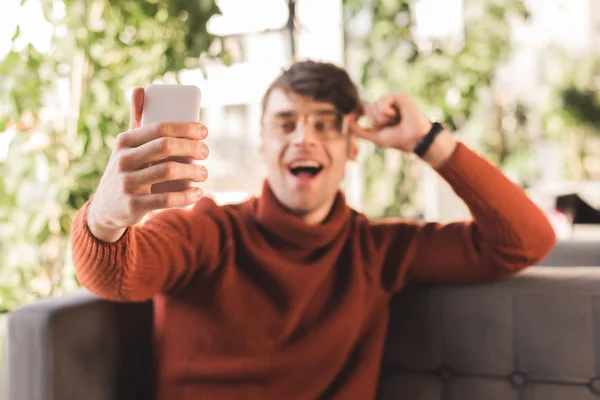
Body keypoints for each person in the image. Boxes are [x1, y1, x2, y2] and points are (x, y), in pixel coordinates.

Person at [71, 60, 556, 400]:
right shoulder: (212, 232)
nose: (304, 137)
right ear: (263, 144)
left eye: (325, 125)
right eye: (286, 124)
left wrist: (428, 141)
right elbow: (115, 275)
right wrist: (108, 216)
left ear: (353, 147)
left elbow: (525, 241)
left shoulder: (379, 249)